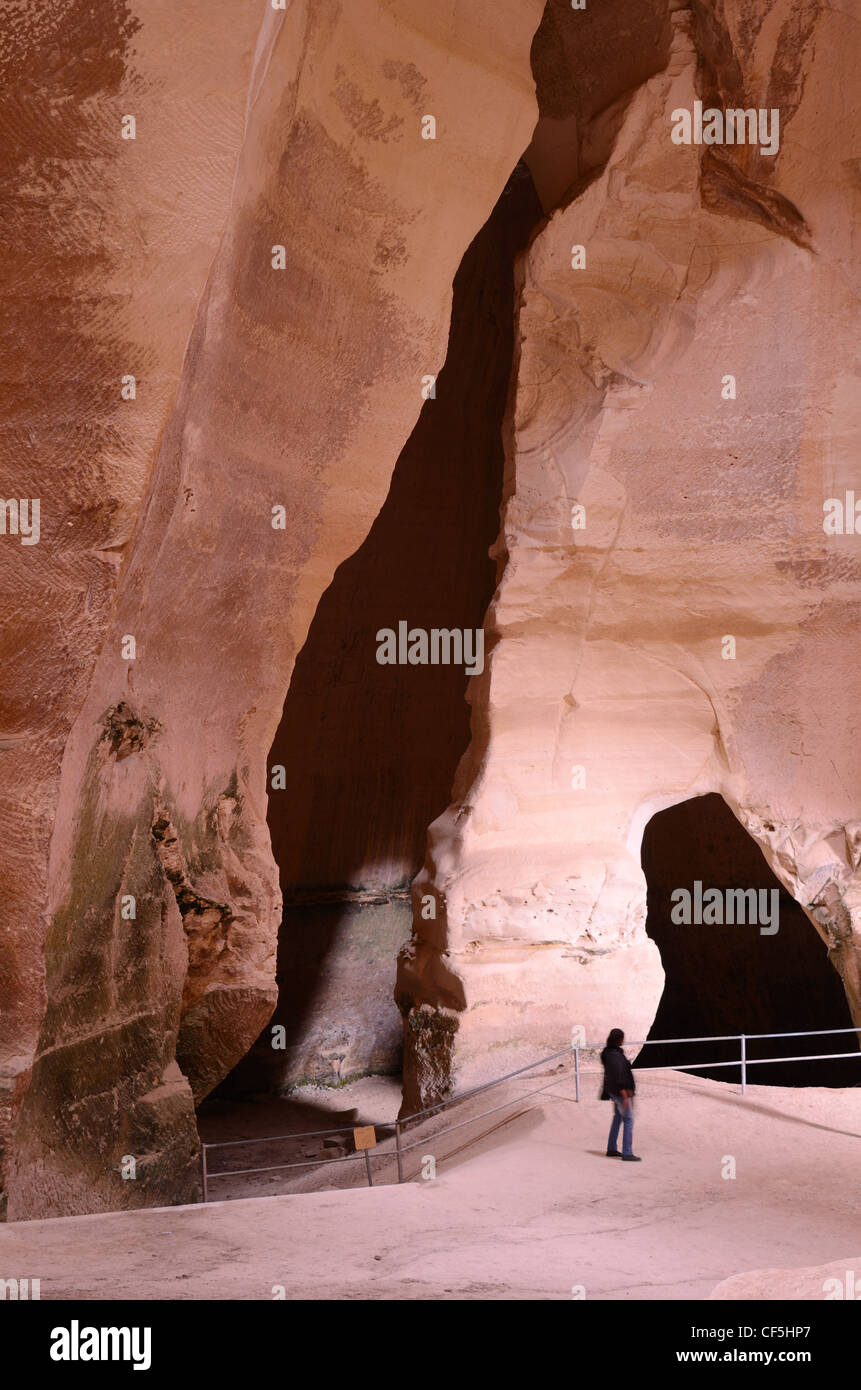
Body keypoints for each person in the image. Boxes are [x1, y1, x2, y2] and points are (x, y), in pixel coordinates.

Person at [600, 1027, 642, 1161]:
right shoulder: (615, 1055)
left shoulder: (608, 1052)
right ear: (619, 1040)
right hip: (619, 1092)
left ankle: (612, 1148)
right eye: (622, 1038)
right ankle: (627, 1153)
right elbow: (618, 1075)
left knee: (617, 1118)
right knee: (629, 1119)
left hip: (613, 1091)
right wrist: (624, 1093)